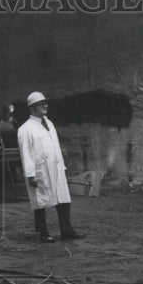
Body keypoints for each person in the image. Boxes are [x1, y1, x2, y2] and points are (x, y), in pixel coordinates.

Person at [17, 91, 84, 242]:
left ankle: (66, 230)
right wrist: (30, 174)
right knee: (40, 201)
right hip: (40, 170)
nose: (45, 105)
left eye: (45, 102)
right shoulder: (25, 129)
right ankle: (43, 232)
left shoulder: (49, 123)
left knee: (63, 198)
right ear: (33, 107)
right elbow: (26, 154)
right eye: (41, 104)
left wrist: (62, 167)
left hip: (56, 167)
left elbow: (55, 147)